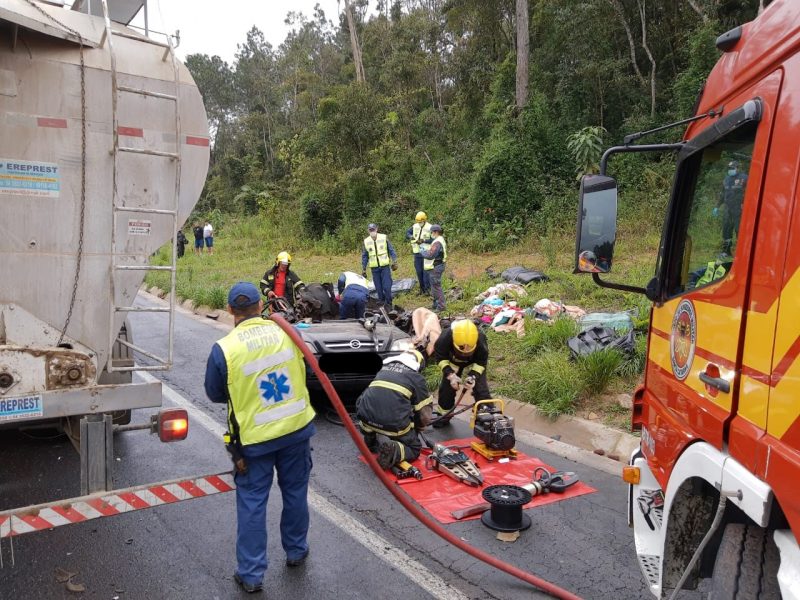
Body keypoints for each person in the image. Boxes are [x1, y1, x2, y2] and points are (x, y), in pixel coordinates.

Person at [204, 282, 316, 594]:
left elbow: (214, 393)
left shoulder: (225, 349)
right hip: (296, 431)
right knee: (295, 492)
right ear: (260, 306)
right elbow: (308, 369)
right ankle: (296, 551)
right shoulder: (288, 333)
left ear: (230, 311)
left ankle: (251, 575)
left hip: (254, 442)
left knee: (253, 503)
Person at [356, 349, 433, 469]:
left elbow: (365, 398)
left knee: (376, 412)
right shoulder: (416, 378)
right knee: (414, 448)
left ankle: (370, 440)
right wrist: (418, 426)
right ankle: (394, 450)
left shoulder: (383, 369)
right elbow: (424, 415)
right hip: (393, 426)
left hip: (365, 420)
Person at [432, 319, 490, 427]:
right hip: (453, 362)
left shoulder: (480, 338)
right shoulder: (445, 337)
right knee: (447, 388)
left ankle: (487, 417)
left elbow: (481, 362)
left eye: (469, 350)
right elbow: (440, 358)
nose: (464, 354)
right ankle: (444, 416)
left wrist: (473, 376)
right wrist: (450, 374)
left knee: (481, 389)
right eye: (461, 350)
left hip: (474, 362)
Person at [361, 223, 398, 307]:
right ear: (368, 231)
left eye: (373, 230)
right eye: (370, 230)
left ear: (376, 229)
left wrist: (394, 261)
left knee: (387, 286)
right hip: (374, 269)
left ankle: (389, 302)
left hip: (385, 267)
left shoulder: (384, 237)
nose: (372, 231)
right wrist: (363, 268)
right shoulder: (366, 241)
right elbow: (365, 256)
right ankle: (381, 301)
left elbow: (391, 250)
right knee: (378, 287)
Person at [716, 160, 748, 255]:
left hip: (740, 209)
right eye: (729, 168)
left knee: (739, 230)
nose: (730, 170)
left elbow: (751, 192)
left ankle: (741, 252)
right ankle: (726, 251)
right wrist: (717, 206)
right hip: (728, 209)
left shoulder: (745, 178)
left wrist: (745, 203)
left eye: (732, 168)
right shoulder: (726, 179)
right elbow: (722, 194)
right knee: (726, 229)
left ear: (737, 168)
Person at [420, 224, 447, 312]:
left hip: (436, 266)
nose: (431, 234)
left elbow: (431, 255)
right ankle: (435, 304)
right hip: (438, 265)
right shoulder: (440, 240)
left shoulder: (437, 242)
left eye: (432, 232)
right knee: (434, 286)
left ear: (436, 232)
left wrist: (423, 252)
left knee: (436, 287)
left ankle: (441, 306)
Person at [406, 211, 432, 295]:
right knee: (419, 271)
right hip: (417, 252)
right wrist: (411, 237)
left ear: (424, 220)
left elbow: (434, 239)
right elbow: (408, 233)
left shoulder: (430, 227)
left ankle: (427, 290)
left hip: (426, 252)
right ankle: (422, 289)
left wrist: (424, 240)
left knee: (426, 272)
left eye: (421, 222)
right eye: (418, 222)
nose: (419, 223)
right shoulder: (415, 226)